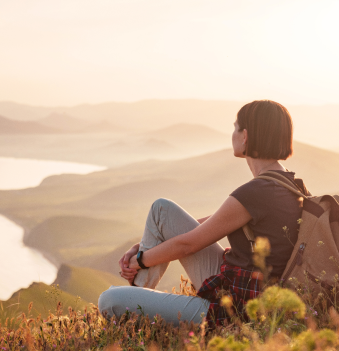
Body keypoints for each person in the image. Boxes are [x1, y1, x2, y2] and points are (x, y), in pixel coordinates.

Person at [98, 100, 310, 327]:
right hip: (246, 291)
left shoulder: (256, 192)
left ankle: (133, 313)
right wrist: (140, 247)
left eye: (235, 127)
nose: (233, 134)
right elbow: (208, 225)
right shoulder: (289, 184)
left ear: (245, 135)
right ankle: (139, 303)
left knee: (109, 300)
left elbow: (188, 245)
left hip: (235, 312)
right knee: (162, 210)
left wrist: (140, 261)